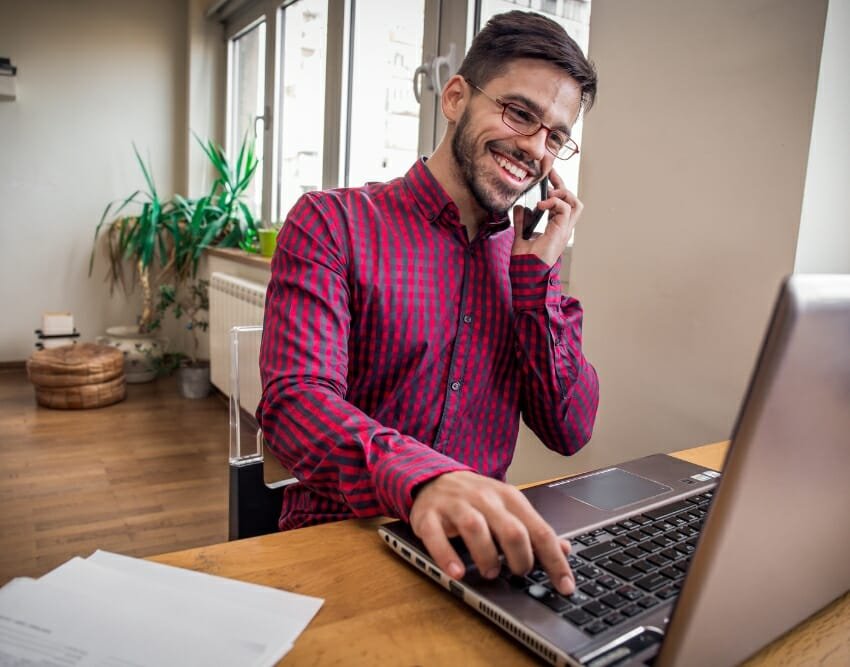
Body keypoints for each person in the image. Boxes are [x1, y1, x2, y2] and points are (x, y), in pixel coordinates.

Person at [258, 10, 599, 596]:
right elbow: (296, 404)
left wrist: (539, 280)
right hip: (339, 544)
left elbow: (568, 429)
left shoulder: (526, 265)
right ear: (455, 97)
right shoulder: (331, 224)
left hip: (476, 562)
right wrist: (425, 481)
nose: (534, 148)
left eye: (556, 136)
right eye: (520, 113)